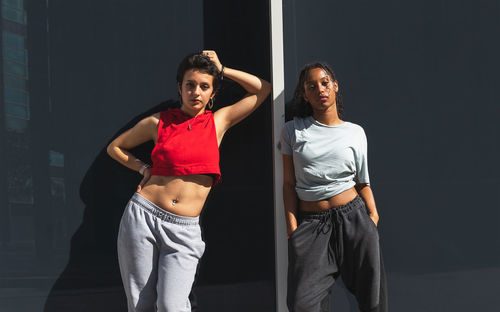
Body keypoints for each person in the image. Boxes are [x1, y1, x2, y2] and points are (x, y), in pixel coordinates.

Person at [107, 50, 271, 312]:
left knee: (173, 306)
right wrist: (142, 168)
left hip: (184, 229)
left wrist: (222, 69)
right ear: (180, 88)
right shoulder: (158, 122)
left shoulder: (218, 122)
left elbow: (262, 90)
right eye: (190, 85)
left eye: (204, 86)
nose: (196, 92)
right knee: (141, 305)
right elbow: (115, 148)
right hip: (143, 218)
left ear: (213, 93)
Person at [280, 62, 387, 312]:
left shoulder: (355, 133)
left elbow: (363, 182)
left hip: (355, 219)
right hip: (312, 225)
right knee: (302, 304)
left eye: (325, 82)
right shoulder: (293, 130)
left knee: (373, 302)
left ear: (335, 86)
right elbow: (288, 184)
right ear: (305, 94)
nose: (320, 89)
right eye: (311, 86)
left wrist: (372, 217)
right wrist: (292, 230)